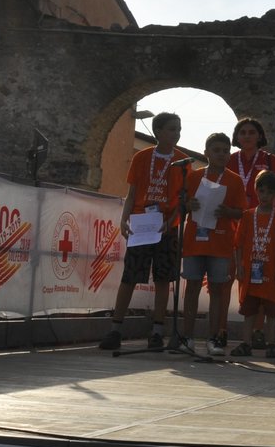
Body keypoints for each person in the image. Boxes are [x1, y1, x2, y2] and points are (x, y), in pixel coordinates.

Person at [100, 112, 184, 351]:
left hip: (166, 227)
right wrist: (124, 218)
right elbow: (133, 192)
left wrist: (172, 221)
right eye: (171, 129)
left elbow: (181, 199)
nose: (176, 134)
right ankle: (115, 329)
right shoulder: (141, 157)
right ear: (157, 131)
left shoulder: (182, 161)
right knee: (130, 277)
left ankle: (157, 332)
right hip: (141, 224)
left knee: (162, 279)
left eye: (178, 129)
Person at [176, 133, 245, 355]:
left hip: (221, 243)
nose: (222, 154)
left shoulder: (234, 180)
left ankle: (214, 338)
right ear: (206, 153)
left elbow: (241, 212)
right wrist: (189, 204)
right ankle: (187, 337)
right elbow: (182, 206)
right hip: (195, 241)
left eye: (226, 151)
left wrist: (227, 211)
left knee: (217, 290)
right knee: (192, 288)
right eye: (216, 150)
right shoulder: (193, 177)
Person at [230, 171, 275, 357]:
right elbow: (238, 244)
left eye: (270, 193)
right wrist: (239, 266)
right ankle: (246, 342)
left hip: (271, 271)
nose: (265, 196)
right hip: (251, 271)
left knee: (272, 310)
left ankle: (272, 343)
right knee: (249, 310)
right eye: (262, 191)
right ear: (256, 191)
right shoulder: (248, 216)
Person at [228, 117, 275, 212]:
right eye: (243, 133)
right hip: (232, 217)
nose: (247, 136)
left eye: (251, 132)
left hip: (260, 217)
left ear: (260, 136)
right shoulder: (229, 160)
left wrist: (265, 212)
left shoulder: (270, 160)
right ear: (237, 137)